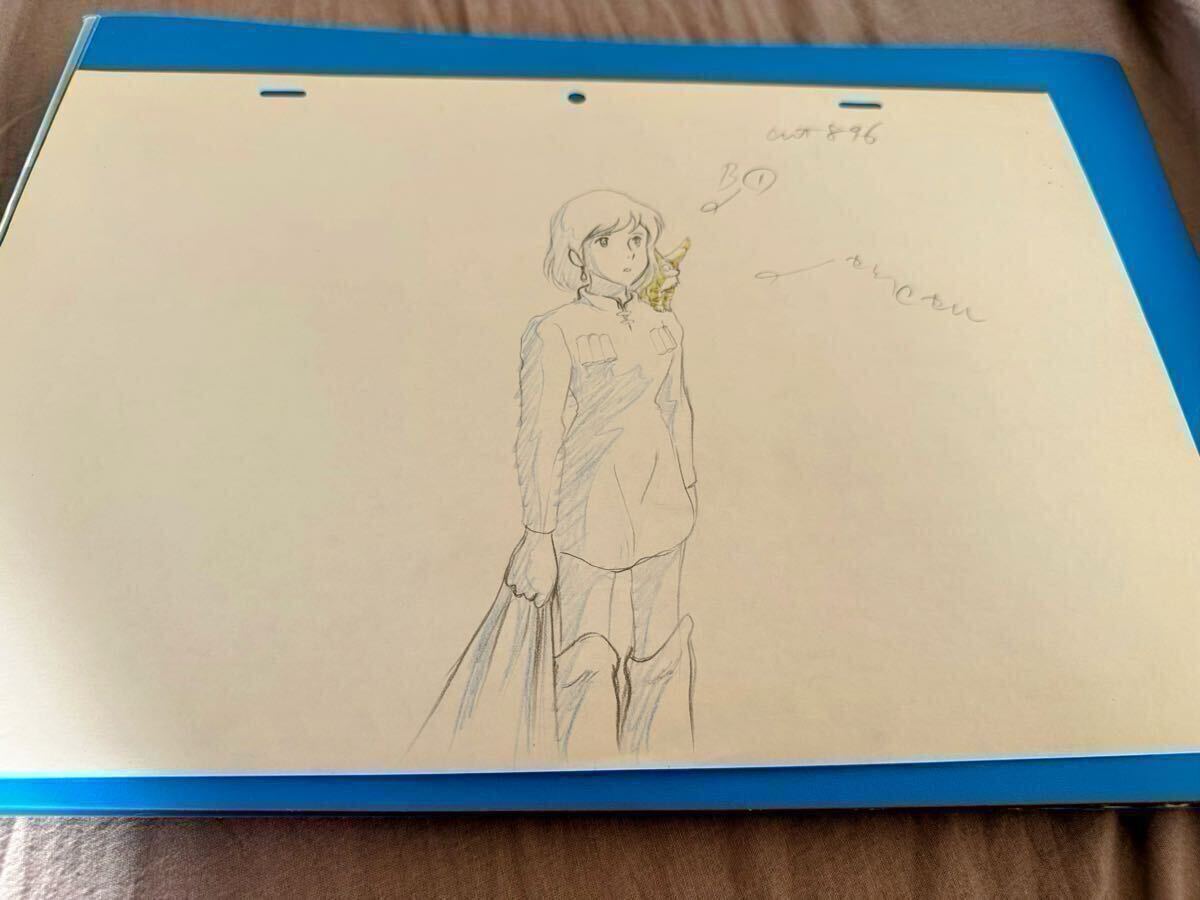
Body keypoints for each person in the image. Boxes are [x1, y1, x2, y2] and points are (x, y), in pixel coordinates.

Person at [412, 189, 697, 763]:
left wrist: (688, 487)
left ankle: (660, 764)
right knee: (586, 649)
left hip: (663, 506)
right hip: (586, 510)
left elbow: (676, 407)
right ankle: (587, 772)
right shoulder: (555, 329)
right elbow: (539, 434)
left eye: (637, 239)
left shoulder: (663, 325)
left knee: (659, 647)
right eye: (606, 240)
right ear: (575, 254)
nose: (627, 252)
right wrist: (539, 533)